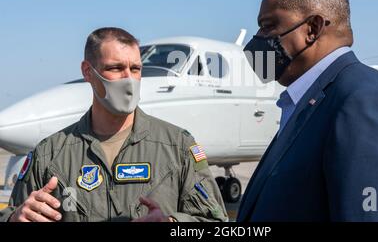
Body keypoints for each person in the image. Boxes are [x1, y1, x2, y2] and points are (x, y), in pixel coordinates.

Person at [238, 0, 378, 221]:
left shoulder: (365, 103)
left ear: (312, 28)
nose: (258, 40)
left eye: (268, 26)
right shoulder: (312, 101)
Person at [0, 27, 227, 222]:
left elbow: (214, 220)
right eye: (116, 68)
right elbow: (19, 212)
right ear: (88, 71)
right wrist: (14, 217)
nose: (128, 79)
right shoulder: (50, 154)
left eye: (135, 69)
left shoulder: (178, 146)